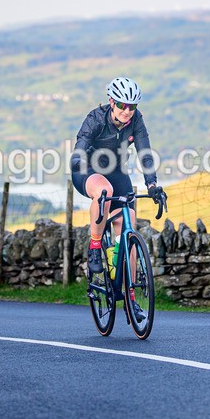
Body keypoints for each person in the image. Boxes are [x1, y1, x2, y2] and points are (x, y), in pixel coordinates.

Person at [69, 76, 167, 322]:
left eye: (132, 106)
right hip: (88, 170)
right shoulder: (95, 118)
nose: (127, 111)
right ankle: (94, 247)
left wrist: (152, 183)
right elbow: (80, 147)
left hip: (116, 171)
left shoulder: (136, 120)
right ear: (111, 101)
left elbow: (144, 152)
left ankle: (130, 297)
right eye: (122, 105)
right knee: (105, 193)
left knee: (128, 226)